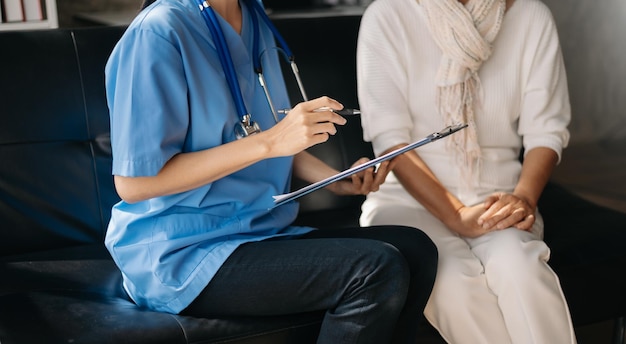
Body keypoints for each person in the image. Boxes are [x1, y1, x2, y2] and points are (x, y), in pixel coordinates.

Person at [104, 0, 438, 343]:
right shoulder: (157, 32)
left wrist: (334, 181)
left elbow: (261, 136)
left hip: (258, 231)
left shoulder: (254, 17)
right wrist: (272, 141)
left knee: (416, 250)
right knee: (373, 269)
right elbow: (134, 183)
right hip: (182, 251)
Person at [356, 0, 576, 342]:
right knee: (451, 279)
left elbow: (546, 130)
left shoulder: (531, 15)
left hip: (499, 196)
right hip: (406, 201)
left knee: (520, 268)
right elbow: (390, 142)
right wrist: (457, 215)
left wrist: (523, 198)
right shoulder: (387, 15)